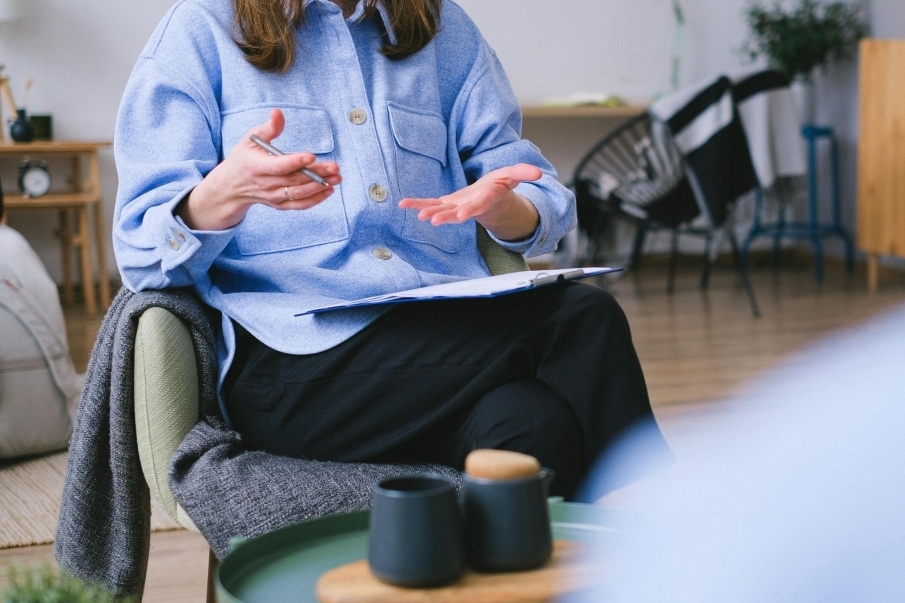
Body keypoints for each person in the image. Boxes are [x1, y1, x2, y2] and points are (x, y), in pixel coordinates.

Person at [112, 0, 667, 498]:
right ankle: (678, 547)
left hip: (444, 348)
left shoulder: (442, 29)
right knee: (583, 318)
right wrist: (217, 198)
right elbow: (138, 251)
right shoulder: (198, 31)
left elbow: (536, 196)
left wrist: (501, 207)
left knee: (534, 426)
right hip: (293, 372)